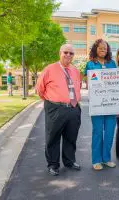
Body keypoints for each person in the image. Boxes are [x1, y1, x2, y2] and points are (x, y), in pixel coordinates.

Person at [36, 44, 82, 176]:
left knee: (71, 137)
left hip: (73, 108)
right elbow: (40, 89)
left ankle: (69, 161)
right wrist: (52, 102)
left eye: (71, 53)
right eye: (66, 52)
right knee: (53, 137)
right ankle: (53, 165)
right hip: (55, 108)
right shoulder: (49, 69)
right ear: (60, 53)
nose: (68, 55)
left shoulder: (75, 71)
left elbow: (77, 87)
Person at [85, 39, 117, 171]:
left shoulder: (112, 63)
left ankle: (106, 158)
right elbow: (88, 83)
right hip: (97, 104)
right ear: (95, 49)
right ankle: (96, 160)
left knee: (109, 132)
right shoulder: (90, 64)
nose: (103, 50)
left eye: (105, 48)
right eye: (100, 48)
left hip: (111, 103)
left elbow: (117, 81)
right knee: (98, 132)